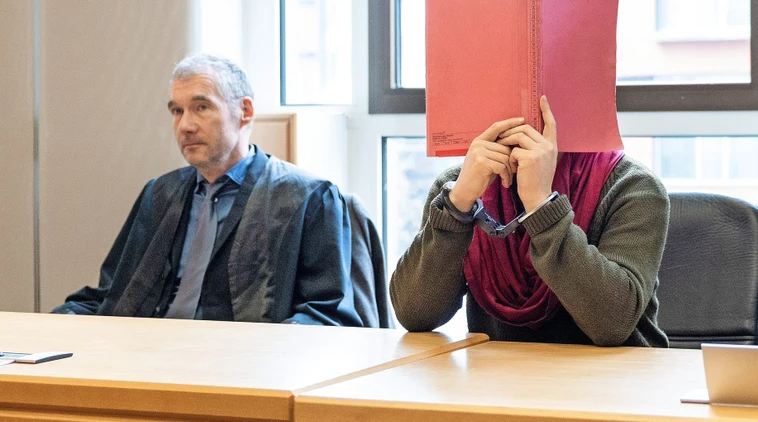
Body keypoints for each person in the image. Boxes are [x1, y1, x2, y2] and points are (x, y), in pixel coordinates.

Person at [53, 54, 384, 325]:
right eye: (177, 111)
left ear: (245, 112)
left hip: (241, 373)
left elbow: (328, 316)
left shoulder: (307, 198)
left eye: (201, 107)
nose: (186, 125)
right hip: (145, 361)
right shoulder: (160, 194)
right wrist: (51, 328)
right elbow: (113, 293)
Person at [390, 96, 670, 347]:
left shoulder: (633, 187)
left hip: (613, 389)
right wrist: (458, 205)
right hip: (501, 388)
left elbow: (611, 324)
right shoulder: (461, 185)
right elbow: (415, 314)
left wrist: (540, 204)